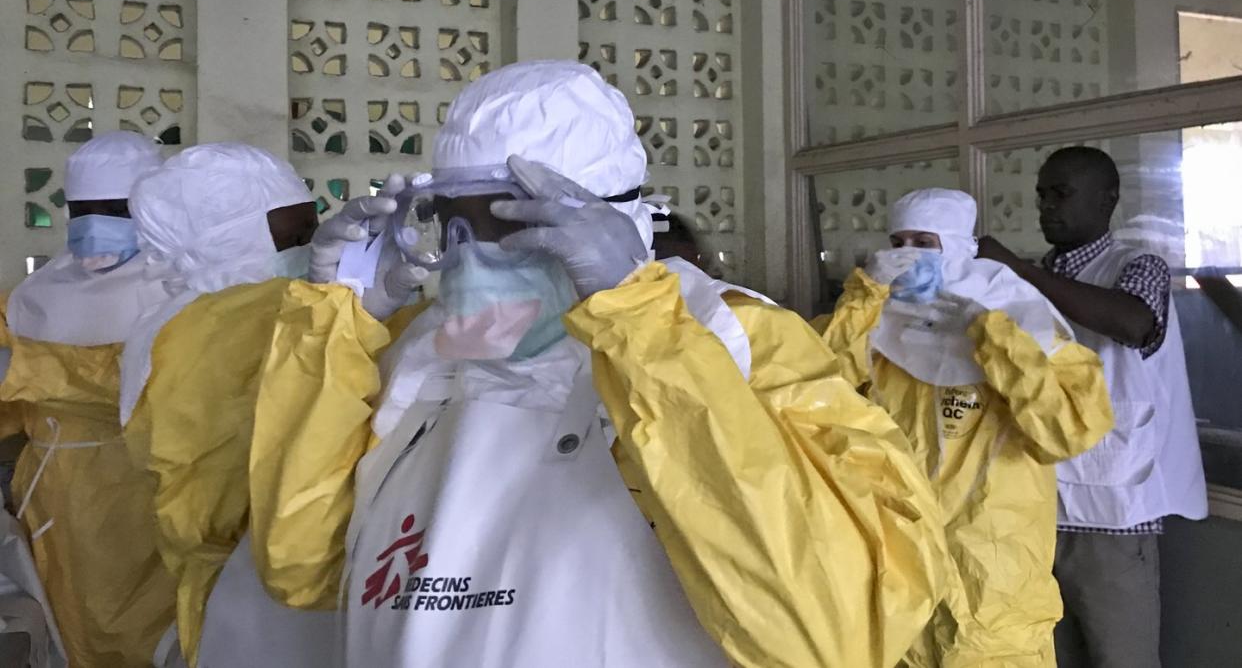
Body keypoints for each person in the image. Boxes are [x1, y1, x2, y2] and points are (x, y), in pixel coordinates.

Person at [277, 59, 951, 666]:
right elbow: (303, 565)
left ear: (610, 220)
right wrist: (336, 337)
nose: (474, 256)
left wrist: (641, 330)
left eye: (514, 223)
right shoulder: (426, 350)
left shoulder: (731, 336)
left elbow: (834, 634)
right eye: (454, 222)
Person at [818, 188, 1115, 667]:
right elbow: (817, 390)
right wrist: (862, 300)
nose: (907, 254)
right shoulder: (884, 328)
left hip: (993, 565)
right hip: (900, 556)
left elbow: (1067, 431)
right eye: (898, 241)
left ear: (958, 246)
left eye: (923, 241)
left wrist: (994, 337)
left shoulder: (1025, 321)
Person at [117, 142, 353, 667]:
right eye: (295, 237)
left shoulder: (191, 317)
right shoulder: (202, 331)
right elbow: (228, 498)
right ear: (226, 237)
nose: (310, 247)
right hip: (252, 587)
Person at [977, 146, 1208, 668]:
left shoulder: (1136, 266)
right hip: (1036, 509)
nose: (1046, 206)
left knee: (1120, 658)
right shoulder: (1032, 277)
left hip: (1115, 516)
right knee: (1044, 655)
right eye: (1041, 194)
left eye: (1061, 193)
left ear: (1107, 200)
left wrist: (1017, 271)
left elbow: (1131, 323)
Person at [0, 131, 178, 667]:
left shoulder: (183, 291)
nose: (93, 225)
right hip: (49, 498)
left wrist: (24, 370)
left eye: (113, 209)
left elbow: (145, 384)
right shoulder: (36, 295)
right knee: (63, 630)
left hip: (142, 495)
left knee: (143, 638)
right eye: (82, 210)